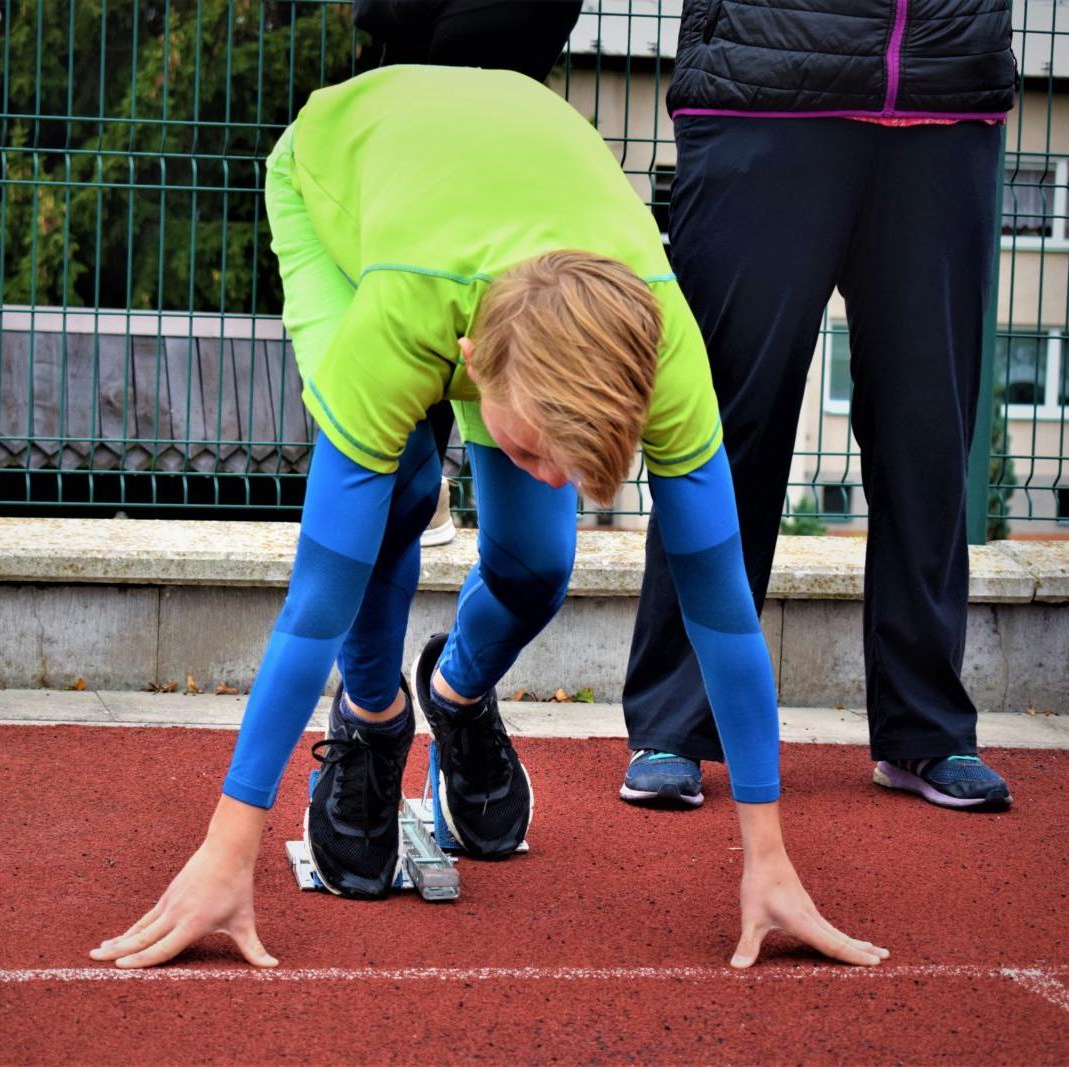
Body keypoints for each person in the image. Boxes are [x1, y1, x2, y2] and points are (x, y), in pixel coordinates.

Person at [89, 65, 888, 971]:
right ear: (472, 361)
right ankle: (374, 716)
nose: (553, 472)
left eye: (569, 461)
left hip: (495, 204)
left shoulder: (664, 354)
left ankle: (458, 694)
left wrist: (770, 857)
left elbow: (724, 611)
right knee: (387, 492)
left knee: (540, 563)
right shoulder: (409, 312)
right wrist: (226, 847)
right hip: (340, 193)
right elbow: (314, 602)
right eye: (539, 448)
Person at [621, 2, 1017, 812]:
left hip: (947, 93)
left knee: (928, 436)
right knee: (730, 427)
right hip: (765, 84)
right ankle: (675, 721)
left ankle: (924, 727)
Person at [351, 0, 586, 549]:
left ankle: (435, 495)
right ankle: (423, 488)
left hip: (483, 117)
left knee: (533, 563)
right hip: (407, 116)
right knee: (389, 519)